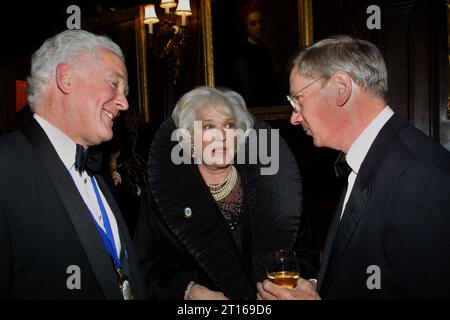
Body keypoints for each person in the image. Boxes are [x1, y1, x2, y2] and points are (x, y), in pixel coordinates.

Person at [257, 35, 450, 300]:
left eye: (298, 100)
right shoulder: (371, 158)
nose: (294, 117)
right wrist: (317, 289)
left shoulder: (419, 177)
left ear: (340, 88)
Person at [134, 86, 319, 300]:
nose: (221, 136)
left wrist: (297, 288)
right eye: (209, 127)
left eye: (229, 126)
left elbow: (305, 251)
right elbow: (147, 267)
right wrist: (191, 292)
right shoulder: (162, 197)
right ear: (190, 143)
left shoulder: (268, 186)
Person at [0, 30, 146, 299]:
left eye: (124, 92)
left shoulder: (96, 174)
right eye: (114, 84)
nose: (124, 103)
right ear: (66, 78)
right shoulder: (6, 167)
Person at [233, 0, 283, 107]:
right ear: (246, 27)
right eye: (253, 23)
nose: (259, 27)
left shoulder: (263, 48)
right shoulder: (244, 53)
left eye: (261, 22)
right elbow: (249, 90)